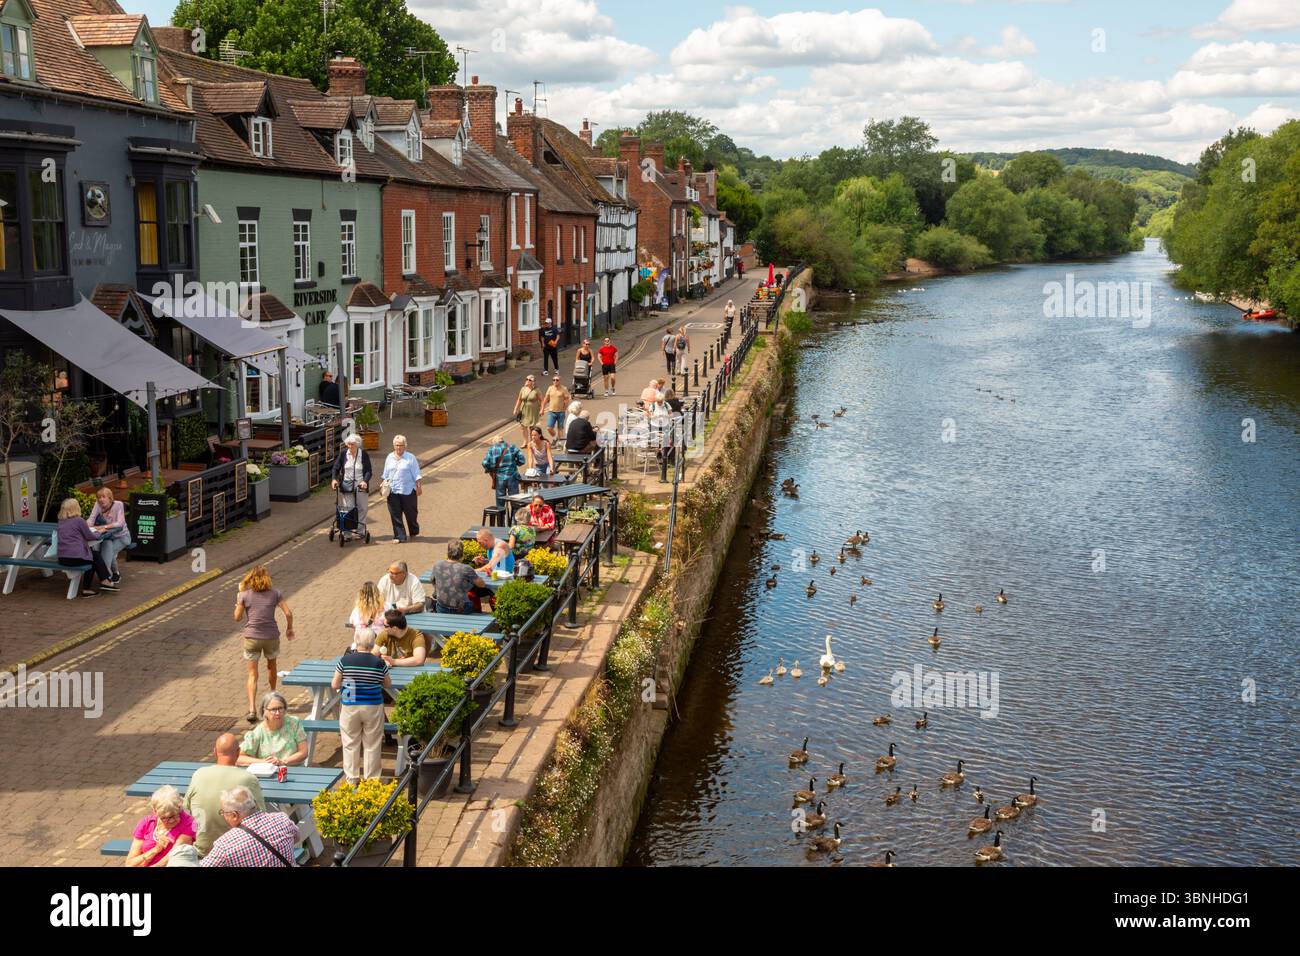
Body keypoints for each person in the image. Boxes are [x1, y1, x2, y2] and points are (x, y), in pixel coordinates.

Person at [184, 733, 266, 857]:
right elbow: (262, 817)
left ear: (215, 752)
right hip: (237, 853)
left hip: (203, 852)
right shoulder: (248, 779)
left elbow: (186, 810)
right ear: (238, 752)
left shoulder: (199, 774)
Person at [233, 564, 294, 723]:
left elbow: (237, 618)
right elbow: (288, 613)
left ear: (250, 579)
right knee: (271, 668)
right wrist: (289, 629)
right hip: (271, 637)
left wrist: (239, 596)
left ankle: (252, 709)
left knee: (252, 674)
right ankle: (273, 700)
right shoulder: (275, 594)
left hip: (251, 638)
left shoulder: (244, 595)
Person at [331, 632, 391, 786]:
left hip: (350, 703)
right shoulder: (379, 663)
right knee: (372, 743)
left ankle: (352, 778)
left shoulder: (345, 660)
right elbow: (387, 684)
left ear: (356, 641)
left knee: (350, 742)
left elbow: (335, 685)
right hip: (373, 704)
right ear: (372, 643)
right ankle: (372, 779)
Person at [200, 787, 297, 867]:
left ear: (234, 815)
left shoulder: (225, 845)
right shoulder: (282, 819)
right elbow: (296, 838)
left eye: (223, 812)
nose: (223, 816)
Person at [55, 498, 116, 597]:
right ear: (75, 508)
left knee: (92, 557)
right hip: (75, 558)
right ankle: (102, 582)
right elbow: (90, 536)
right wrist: (99, 532)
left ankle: (101, 582)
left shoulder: (61, 521)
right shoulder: (79, 520)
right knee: (93, 557)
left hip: (62, 558)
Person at [125, 785, 195, 867]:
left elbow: (172, 857)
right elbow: (130, 863)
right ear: (155, 811)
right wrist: (156, 849)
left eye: (174, 815)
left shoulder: (189, 824)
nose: (171, 821)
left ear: (179, 807)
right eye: (164, 818)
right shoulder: (147, 823)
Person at [237, 691, 307, 767]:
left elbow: (303, 752)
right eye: (273, 709)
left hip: (294, 769)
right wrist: (263, 762)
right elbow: (238, 758)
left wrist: (283, 762)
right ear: (264, 711)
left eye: (280, 708)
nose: (277, 713)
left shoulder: (294, 723)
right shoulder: (258, 732)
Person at [381, 434, 421, 542]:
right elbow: (385, 474)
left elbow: (417, 474)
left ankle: (413, 531)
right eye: (397, 445)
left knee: (411, 514)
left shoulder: (410, 458)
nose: (399, 447)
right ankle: (400, 536)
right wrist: (384, 484)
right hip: (393, 491)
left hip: (408, 491)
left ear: (405, 446)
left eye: (401, 445)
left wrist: (418, 486)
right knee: (395, 514)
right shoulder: (389, 457)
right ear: (394, 445)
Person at [87, 487, 130, 586]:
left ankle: (108, 577)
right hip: (107, 537)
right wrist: (85, 526)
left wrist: (103, 527)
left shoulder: (118, 505)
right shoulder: (97, 505)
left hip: (121, 537)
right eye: (98, 497)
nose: (100, 499)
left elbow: (120, 523)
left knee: (107, 555)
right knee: (102, 554)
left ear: (110, 498)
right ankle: (113, 574)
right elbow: (91, 519)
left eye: (103, 497)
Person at [331, 433, 371, 532]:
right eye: (348, 444)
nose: (350, 446)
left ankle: (360, 531)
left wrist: (365, 481)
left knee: (362, 508)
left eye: (352, 444)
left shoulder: (363, 454)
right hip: (346, 485)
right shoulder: (343, 453)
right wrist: (334, 479)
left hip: (360, 485)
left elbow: (368, 471)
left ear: (357, 444)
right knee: (348, 509)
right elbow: (336, 468)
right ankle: (347, 533)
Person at [430, 540, 483, 614]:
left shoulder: (437, 565)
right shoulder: (466, 568)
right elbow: (481, 584)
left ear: (448, 552)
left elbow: (432, 580)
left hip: (442, 607)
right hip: (461, 609)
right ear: (462, 554)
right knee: (474, 601)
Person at [482, 434, 525, 509]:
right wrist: (515, 463)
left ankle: (500, 519)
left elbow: (485, 463)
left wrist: (490, 470)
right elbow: (522, 460)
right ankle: (514, 519)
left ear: (494, 442)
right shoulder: (512, 447)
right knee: (515, 501)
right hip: (512, 476)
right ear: (502, 440)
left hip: (500, 478)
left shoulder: (492, 449)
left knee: (500, 502)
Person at [512, 374, 541, 445]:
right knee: (523, 426)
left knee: (532, 427)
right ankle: (525, 441)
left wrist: (541, 409)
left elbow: (541, 400)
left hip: (533, 410)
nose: (527, 381)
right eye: (527, 379)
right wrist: (515, 408)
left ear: (533, 381)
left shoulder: (536, 390)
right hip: (524, 409)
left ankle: (532, 441)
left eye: (529, 380)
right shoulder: (523, 389)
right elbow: (519, 399)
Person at [543, 374, 571, 444]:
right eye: (554, 380)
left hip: (561, 412)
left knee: (560, 429)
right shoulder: (550, 388)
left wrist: (565, 408)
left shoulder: (564, 389)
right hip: (551, 412)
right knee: (549, 428)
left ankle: (559, 444)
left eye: (557, 380)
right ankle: (555, 438)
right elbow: (546, 399)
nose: (555, 381)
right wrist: (542, 408)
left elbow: (567, 399)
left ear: (559, 381)